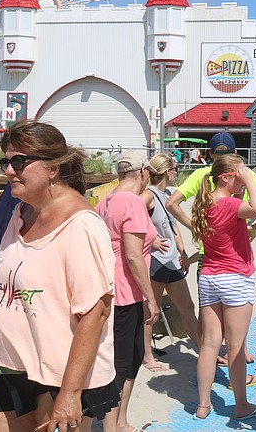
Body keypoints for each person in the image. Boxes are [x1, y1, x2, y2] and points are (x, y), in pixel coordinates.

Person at [0, 120, 119, 432]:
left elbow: (95, 312)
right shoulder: (21, 214)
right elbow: (5, 292)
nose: (8, 170)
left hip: (60, 376)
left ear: (52, 169)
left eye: (18, 162)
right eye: (5, 161)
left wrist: (71, 393)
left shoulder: (81, 226)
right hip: (12, 367)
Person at [165, 131, 256, 365]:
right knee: (237, 315)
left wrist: (196, 226)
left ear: (210, 154)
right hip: (235, 255)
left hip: (208, 258)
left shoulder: (200, 174)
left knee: (209, 319)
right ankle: (240, 353)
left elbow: (171, 203)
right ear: (235, 153)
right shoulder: (239, 172)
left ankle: (211, 356)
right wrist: (254, 230)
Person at [191, 154, 256, 421]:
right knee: (235, 347)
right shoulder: (230, 204)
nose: (244, 180)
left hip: (209, 277)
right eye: (239, 175)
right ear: (226, 177)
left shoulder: (204, 204)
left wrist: (243, 177)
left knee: (209, 345)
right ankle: (242, 406)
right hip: (234, 277)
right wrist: (250, 179)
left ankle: (202, 405)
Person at [97, 150, 164, 432]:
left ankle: (120, 421)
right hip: (126, 293)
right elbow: (133, 256)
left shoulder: (106, 201)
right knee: (123, 364)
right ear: (143, 173)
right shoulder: (133, 202)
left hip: (112, 290)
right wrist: (151, 298)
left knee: (128, 359)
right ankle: (113, 425)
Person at [139, 153, 200, 372]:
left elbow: (174, 227)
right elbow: (133, 222)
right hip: (155, 261)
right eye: (174, 169)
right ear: (167, 171)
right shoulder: (148, 196)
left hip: (171, 260)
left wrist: (183, 253)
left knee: (187, 306)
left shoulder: (168, 194)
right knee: (151, 312)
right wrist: (152, 240)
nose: (176, 172)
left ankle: (203, 350)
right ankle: (147, 356)